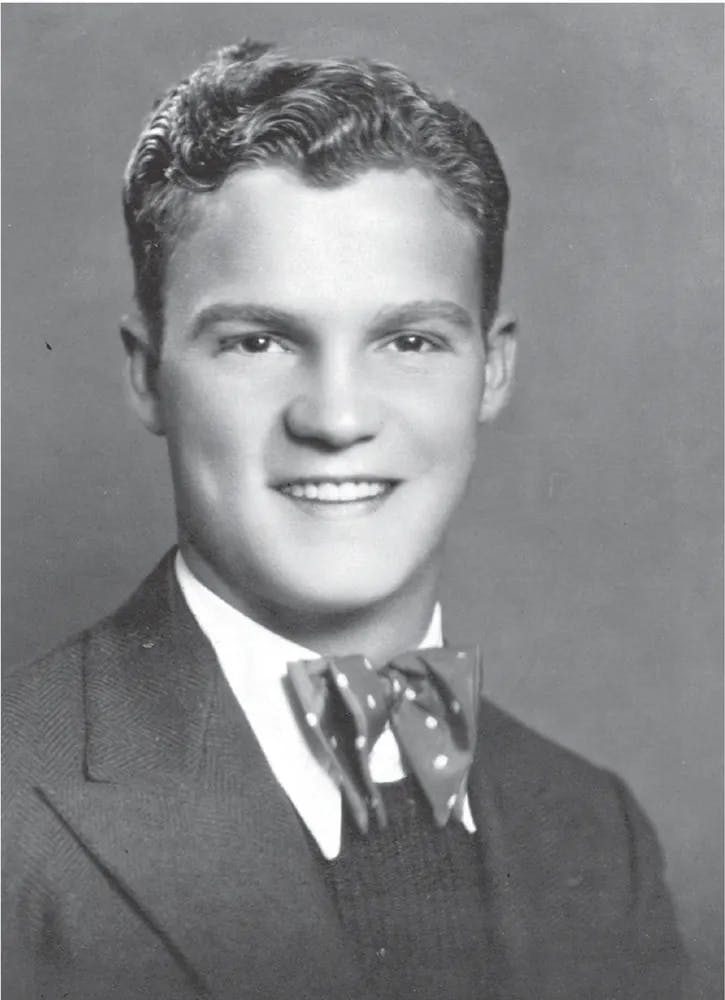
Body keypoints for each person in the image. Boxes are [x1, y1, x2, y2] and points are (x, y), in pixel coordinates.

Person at [2, 39, 686, 1000]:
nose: (335, 418)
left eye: (408, 340)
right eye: (257, 340)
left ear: (489, 370)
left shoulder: (589, 829)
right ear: (145, 371)